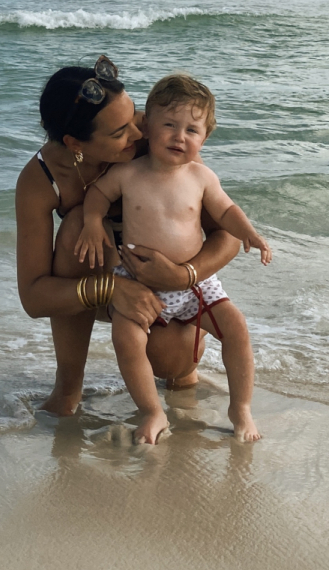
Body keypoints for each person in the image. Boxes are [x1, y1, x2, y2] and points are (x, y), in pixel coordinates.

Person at [15, 58, 240, 417]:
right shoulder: (41, 181)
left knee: (170, 362)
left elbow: (227, 236)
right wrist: (112, 289)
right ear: (75, 143)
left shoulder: (157, 135)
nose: (139, 134)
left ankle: (185, 373)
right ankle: (68, 387)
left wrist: (183, 276)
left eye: (135, 116)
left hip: (171, 278)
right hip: (108, 275)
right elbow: (34, 297)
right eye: (120, 132)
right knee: (77, 226)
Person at [77, 72, 271, 445]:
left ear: (205, 138)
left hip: (196, 282)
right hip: (136, 281)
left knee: (237, 327)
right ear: (147, 127)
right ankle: (152, 412)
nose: (180, 137)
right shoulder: (127, 173)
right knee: (125, 338)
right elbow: (97, 195)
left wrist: (250, 232)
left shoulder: (201, 176)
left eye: (192, 130)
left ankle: (241, 407)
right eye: (169, 125)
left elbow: (226, 211)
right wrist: (91, 222)